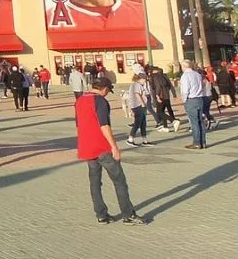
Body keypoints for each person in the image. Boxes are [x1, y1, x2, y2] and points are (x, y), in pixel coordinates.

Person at [75, 78, 147, 225]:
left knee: (95, 182)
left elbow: (78, 124)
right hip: (102, 147)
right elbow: (104, 125)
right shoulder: (100, 101)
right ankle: (128, 214)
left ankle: (101, 214)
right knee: (119, 180)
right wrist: (114, 147)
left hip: (87, 146)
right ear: (105, 89)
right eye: (108, 90)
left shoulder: (80, 100)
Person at [179, 61, 207, 150]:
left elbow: (185, 90)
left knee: (194, 122)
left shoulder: (185, 76)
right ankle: (203, 142)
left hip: (191, 99)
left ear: (183, 66)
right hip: (199, 98)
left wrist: (184, 100)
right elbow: (202, 85)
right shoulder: (197, 74)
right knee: (200, 121)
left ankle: (197, 142)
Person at [148, 66, 179, 133]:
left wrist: (157, 96)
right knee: (163, 111)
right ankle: (165, 126)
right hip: (166, 96)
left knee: (160, 112)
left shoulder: (155, 77)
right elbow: (169, 85)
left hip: (160, 96)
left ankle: (173, 120)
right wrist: (174, 94)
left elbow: (157, 87)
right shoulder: (163, 76)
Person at [126, 73, 153, 147]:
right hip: (138, 106)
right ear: (141, 79)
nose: (145, 81)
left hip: (140, 105)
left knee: (143, 123)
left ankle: (145, 140)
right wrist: (142, 103)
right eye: (145, 79)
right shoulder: (136, 85)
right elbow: (137, 94)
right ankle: (130, 139)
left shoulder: (139, 85)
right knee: (137, 123)